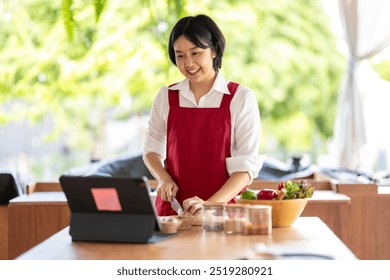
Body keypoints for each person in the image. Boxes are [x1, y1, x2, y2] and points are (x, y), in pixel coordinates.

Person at [143, 14, 263, 217]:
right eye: (180, 55)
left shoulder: (240, 98)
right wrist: (163, 178)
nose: (188, 63)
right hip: (174, 213)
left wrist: (210, 205)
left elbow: (245, 169)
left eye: (195, 53)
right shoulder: (166, 97)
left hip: (223, 214)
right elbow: (151, 150)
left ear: (214, 51)